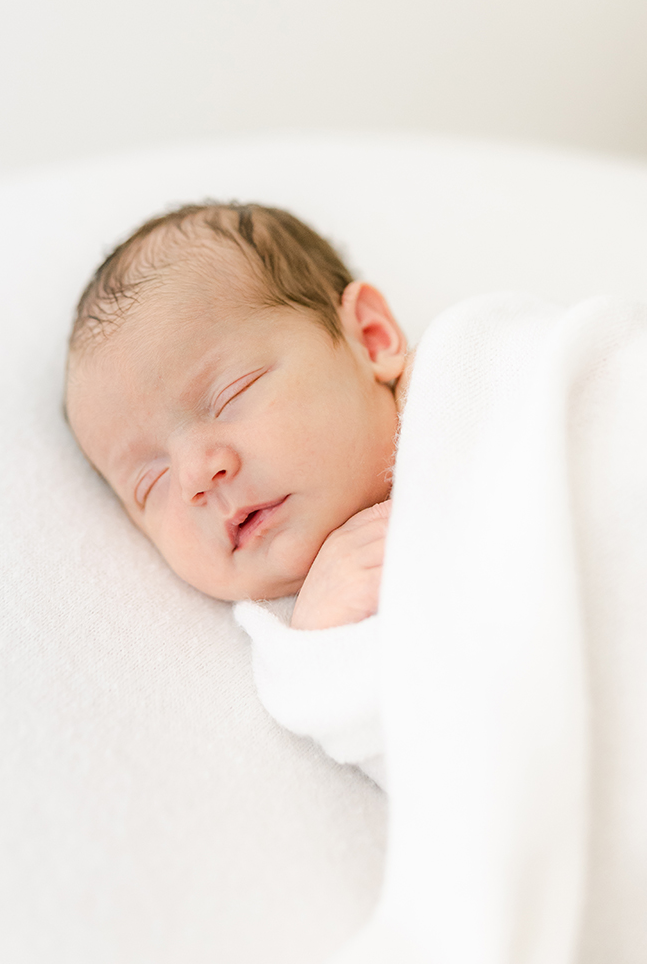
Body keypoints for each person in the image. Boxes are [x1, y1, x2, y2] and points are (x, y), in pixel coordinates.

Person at [65, 201, 414, 784]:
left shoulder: (486, 375)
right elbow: (441, 756)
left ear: (370, 338)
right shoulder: (301, 645)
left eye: (230, 394)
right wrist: (325, 641)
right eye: (151, 483)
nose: (197, 477)